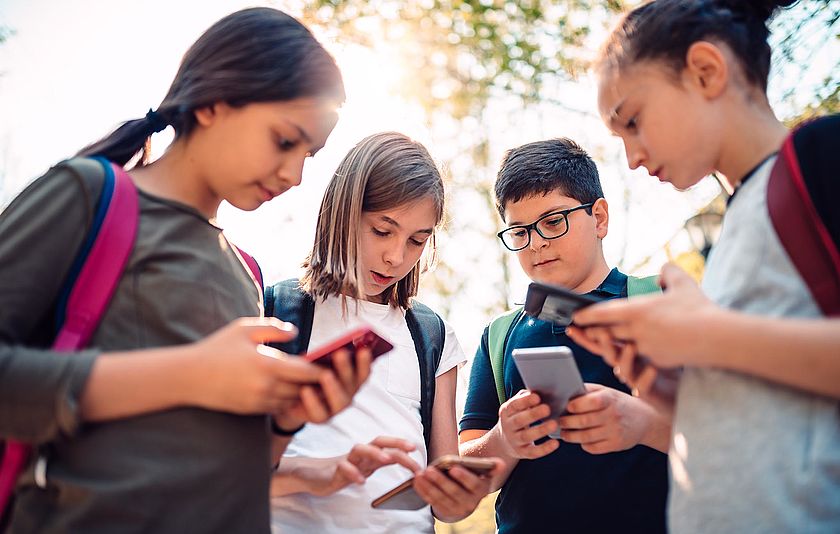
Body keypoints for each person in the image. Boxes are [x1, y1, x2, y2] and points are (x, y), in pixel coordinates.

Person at [0, 8, 370, 533]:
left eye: (309, 154)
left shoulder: (247, 273)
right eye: (286, 141)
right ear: (216, 102)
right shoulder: (89, 195)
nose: (295, 175)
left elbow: (232, 464)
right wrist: (190, 373)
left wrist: (287, 420)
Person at [567, 1, 840, 531]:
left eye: (633, 121)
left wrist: (706, 336)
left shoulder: (821, 157)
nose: (632, 158)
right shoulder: (737, 222)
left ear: (705, 71)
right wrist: (680, 394)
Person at [267, 132, 503, 533]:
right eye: (382, 230)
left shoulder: (431, 335)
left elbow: (446, 505)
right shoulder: (274, 311)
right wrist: (321, 472)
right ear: (344, 212)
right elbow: (228, 469)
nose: (396, 257)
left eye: (417, 240)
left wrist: (460, 490)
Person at [458, 138, 670, 533]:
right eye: (519, 232)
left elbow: (726, 433)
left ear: (600, 218)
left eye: (553, 222)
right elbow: (468, 472)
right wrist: (504, 440)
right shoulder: (500, 335)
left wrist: (642, 422)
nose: (536, 243)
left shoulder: (661, 302)